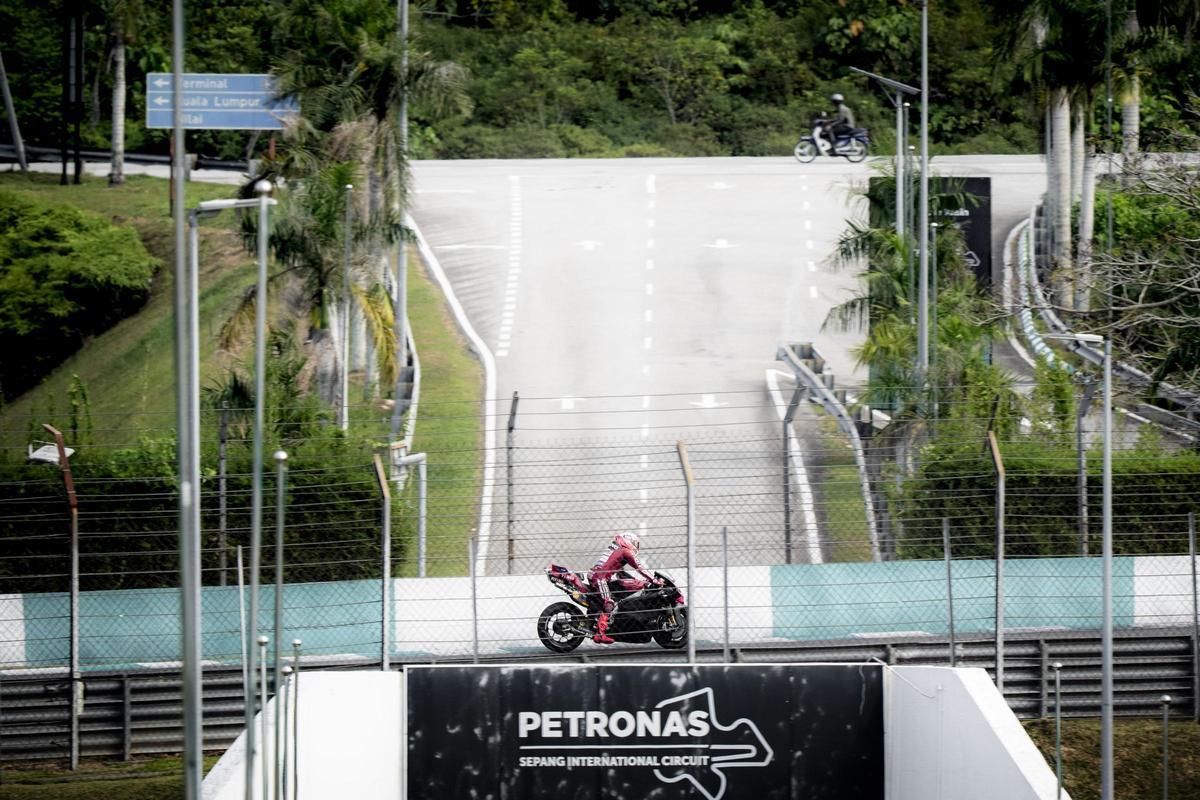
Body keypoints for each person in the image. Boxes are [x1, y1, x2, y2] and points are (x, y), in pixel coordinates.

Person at [587, 532, 660, 644]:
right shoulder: (625, 551)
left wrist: (640, 583)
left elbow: (621, 574)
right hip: (599, 578)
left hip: (599, 576)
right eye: (635, 543)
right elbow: (639, 567)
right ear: (627, 540)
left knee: (615, 596)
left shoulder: (616, 551)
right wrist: (654, 580)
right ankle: (599, 634)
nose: (636, 546)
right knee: (609, 603)